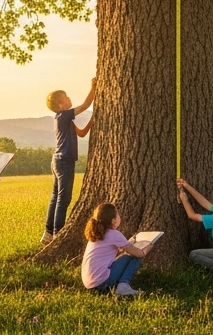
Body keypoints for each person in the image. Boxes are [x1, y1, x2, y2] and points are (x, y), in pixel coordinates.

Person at [41, 79, 95, 245]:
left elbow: (82, 133)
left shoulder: (64, 119)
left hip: (58, 160)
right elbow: (85, 105)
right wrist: (94, 88)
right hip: (64, 161)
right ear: (60, 104)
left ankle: (48, 233)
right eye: (66, 98)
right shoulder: (64, 115)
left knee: (55, 196)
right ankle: (58, 233)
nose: (70, 99)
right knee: (63, 198)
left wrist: (94, 119)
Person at [80, 202, 152, 296]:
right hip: (101, 282)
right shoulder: (114, 234)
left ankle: (120, 285)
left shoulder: (96, 234)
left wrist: (129, 243)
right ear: (113, 221)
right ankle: (123, 285)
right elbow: (137, 253)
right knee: (135, 256)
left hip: (89, 283)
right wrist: (148, 247)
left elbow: (117, 250)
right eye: (118, 215)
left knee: (125, 255)